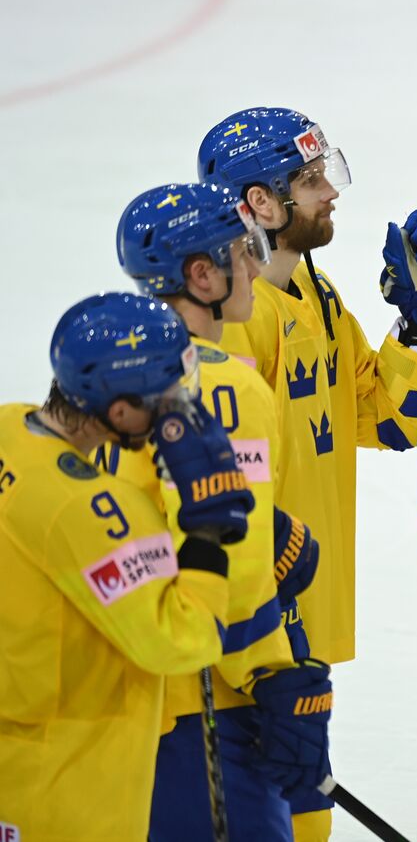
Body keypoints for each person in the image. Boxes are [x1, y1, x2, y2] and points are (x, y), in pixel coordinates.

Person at [197, 107, 417, 838]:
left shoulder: (315, 296)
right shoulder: (236, 323)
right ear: (260, 202)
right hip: (250, 636)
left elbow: (385, 419)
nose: (331, 192)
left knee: (306, 819)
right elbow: (222, 502)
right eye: (312, 180)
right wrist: (261, 623)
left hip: (298, 627)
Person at [111, 182, 327, 840]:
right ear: (202, 276)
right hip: (212, 700)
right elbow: (235, 563)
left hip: (131, 695)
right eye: (242, 252)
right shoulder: (226, 383)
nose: (256, 268)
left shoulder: (112, 369)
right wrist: (272, 674)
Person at [0, 292, 245, 840]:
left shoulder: (9, 426)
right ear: (119, 412)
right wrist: (207, 534)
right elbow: (183, 641)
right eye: (170, 395)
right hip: (70, 797)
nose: (182, 407)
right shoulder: (94, 511)